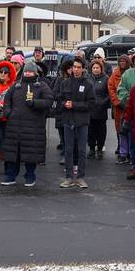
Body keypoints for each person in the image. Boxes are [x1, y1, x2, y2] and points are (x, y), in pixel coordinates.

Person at [0, 60, 53, 188]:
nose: (28, 73)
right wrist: (8, 112)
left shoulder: (42, 86)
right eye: (26, 71)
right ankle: (10, 176)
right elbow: (7, 101)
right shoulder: (16, 85)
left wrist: (34, 103)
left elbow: (49, 101)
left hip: (33, 127)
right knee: (13, 154)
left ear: (35, 72)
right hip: (14, 126)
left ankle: (30, 176)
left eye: (30, 71)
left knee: (30, 153)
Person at [55, 58, 94, 188]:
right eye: (74, 67)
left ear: (83, 69)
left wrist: (74, 105)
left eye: (78, 67)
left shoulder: (88, 84)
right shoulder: (64, 83)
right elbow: (59, 100)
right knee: (68, 150)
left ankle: (81, 177)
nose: (76, 69)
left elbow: (91, 104)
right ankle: (69, 177)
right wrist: (64, 104)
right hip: (67, 121)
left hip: (82, 122)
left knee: (82, 150)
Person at [87, 57, 111, 160]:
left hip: (101, 111)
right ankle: (92, 149)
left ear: (101, 68)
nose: (96, 69)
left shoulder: (106, 78)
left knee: (101, 132)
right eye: (94, 68)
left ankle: (100, 149)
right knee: (90, 132)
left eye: (97, 68)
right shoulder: (88, 78)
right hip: (90, 110)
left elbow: (110, 94)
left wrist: (103, 103)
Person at [108, 56, 130, 165]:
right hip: (118, 107)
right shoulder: (115, 73)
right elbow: (111, 88)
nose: (122, 63)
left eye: (124, 61)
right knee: (120, 129)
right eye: (120, 61)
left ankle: (129, 152)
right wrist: (116, 102)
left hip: (130, 106)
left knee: (129, 129)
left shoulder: (131, 72)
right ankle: (122, 151)